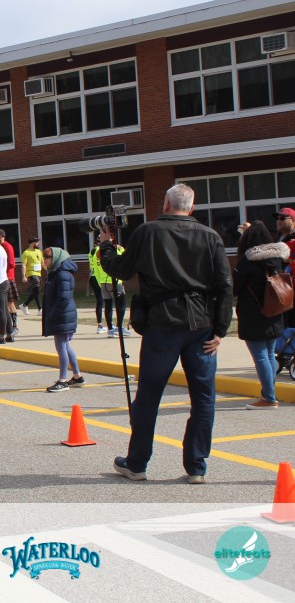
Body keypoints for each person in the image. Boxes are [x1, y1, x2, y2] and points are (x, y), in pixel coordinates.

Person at [100, 183, 232, 484]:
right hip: (201, 325)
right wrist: (221, 329)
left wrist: (107, 245)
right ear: (192, 207)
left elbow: (120, 270)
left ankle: (137, 463)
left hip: (162, 322)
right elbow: (225, 285)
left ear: (166, 204)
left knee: (148, 396)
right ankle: (196, 466)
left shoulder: (148, 232)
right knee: (203, 398)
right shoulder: (210, 236)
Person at [233, 221, 289, 409]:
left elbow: (236, 287)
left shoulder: (247, 261)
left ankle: (269, 398)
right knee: (270, 354)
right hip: (274, 310)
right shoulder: (277, 258)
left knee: (261, 356)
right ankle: (270, 392)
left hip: (253, 314)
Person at [41, 247, 85, 392]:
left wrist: (52, 315)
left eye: (47, 257)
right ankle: (78, 377)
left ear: (55, 258)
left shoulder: (62, 275)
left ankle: (63, 381)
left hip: (62, 315)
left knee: (61, 347)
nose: (44, 260)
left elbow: (63, 299)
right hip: (62, 314)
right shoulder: (55, 273)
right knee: (65, 346)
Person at [95, 242, 130, 338]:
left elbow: (95, 270)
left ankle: (110, 329)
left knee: (108, 305)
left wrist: (100, 282)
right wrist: (120, 248)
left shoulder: (97, 254)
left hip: (103, 282)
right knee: (121, 304)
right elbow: (125, 257)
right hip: (115, 281)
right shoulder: (115, 252)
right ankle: (119, 326)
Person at [274, 207, 295, 328]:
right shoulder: (276, 238)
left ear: (293, 220)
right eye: (277, 218)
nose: (278, 221)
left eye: (282, 218)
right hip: (280, 286)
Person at [0, 228, 20, 335]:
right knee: (5, 304)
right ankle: (8, 327)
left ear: (1, 236)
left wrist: (3, 271)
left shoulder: (7, 246)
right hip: (2, 278)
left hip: (8, 277)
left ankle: (14, 327)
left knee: (9, 303)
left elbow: (11, 263)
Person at [20, 237, 43, 316]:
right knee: (37, 286)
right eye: (37, 242)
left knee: (37, 291)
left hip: (38, 273)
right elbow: (24, 265)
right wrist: (23, 276)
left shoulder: (39, 252)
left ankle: (24, 305)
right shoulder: (26, 253)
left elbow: (42, 262)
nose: (38, 244)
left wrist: (49, 270)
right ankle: (40, 309)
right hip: (31, 273)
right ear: (33, 243)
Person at [88, 244, 106, 333]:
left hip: (92, 276)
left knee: (99, 301)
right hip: (99, 277)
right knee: (106, 301)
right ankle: (107, 325)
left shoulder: (92, 251)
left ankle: (100, 324)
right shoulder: (101, 250)